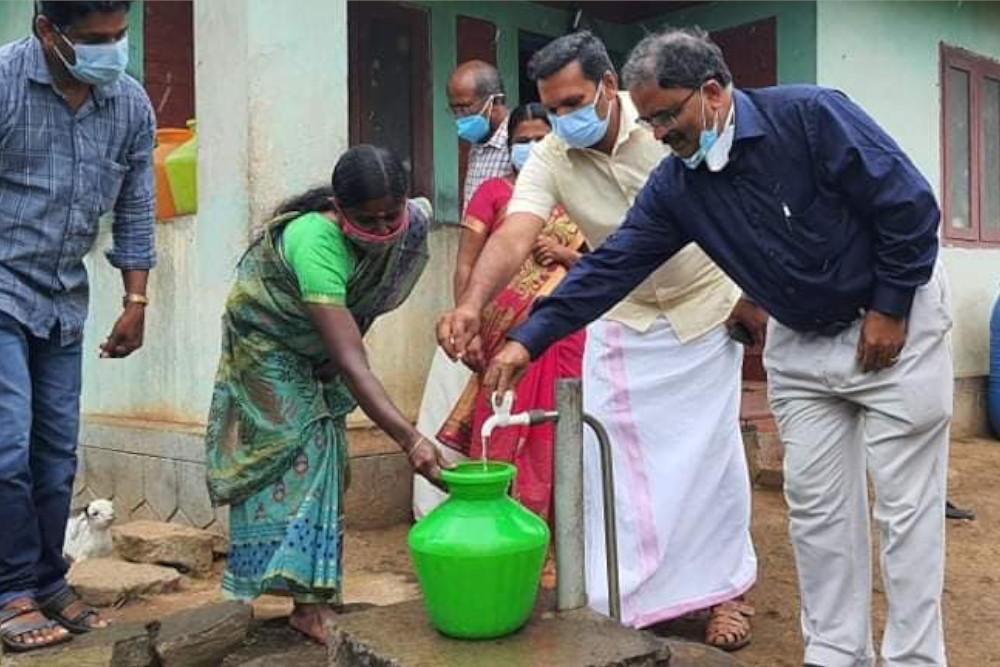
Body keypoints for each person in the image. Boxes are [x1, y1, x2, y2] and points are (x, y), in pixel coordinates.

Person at [454, 26, 953, 667]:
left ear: (713, 92)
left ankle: (915, 659)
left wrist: (888, 307)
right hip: (801, 339)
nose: (658, 135)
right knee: (818, 513)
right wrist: (527, 339)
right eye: (653, 122)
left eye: (666, 117)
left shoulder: (809, 116)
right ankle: (835, 654)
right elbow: (614, 267)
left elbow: (909, 206)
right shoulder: (678, 185)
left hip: (894, 324)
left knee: (904, 512)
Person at [437, 31, 757, 649]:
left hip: (703, 308)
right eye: (553, 108)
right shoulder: (555, 154)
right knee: (608, 454)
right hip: (622, 312)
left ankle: (726, 593)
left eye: (574, 102)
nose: (564, 119)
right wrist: (471, 304)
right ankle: (626, 592)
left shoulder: (665, 123)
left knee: (711, 458)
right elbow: (513, 234)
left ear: (609, 88)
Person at [205, 146, 450, 645]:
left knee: (330, 456)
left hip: (327, 340)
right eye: (367, 219)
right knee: (301, 448)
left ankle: (315, 588)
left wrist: (335, 351)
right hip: (267, 342)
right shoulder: (314, 240)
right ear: (338, 210)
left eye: (390, 216)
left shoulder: (413, 225)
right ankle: (305, 606)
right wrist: (410, 439)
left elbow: (367, 306)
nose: (382, 230)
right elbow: (352, 360)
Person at [0, 1, 155, 652]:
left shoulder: (128, 105)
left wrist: (137, 300)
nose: (112, 51)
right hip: (1, 284)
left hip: (64, 296)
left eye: (120, 36)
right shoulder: (6, 84)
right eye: (96, 40)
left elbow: (136, 205)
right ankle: (11, 590)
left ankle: (48, 579)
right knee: (7, 445)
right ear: (46, 31)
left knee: (55, 452)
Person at [437, 102, 587, 522]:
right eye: (523, 141)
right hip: (502, 330)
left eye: (543, 139)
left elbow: (605, 263)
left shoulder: (576, 191)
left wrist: (562, 254)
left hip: (564, 329)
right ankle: (500, 522)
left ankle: (562, 533)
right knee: (502, 422)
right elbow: (467, 263)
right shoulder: (494, 193)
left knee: (557, 428)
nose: (533, 147)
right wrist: (468, 319)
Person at [411, 61, 515, 519]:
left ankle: (498, 505)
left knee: (506, 402)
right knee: (450, 390)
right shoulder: (479, 148)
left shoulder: (525, 142)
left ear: (494, 101)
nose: (458, 118)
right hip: (480, 298)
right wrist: (466, 309)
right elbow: (470, 251)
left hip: (522, 298)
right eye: (452, 108)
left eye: (465, 107)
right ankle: (442, 505)